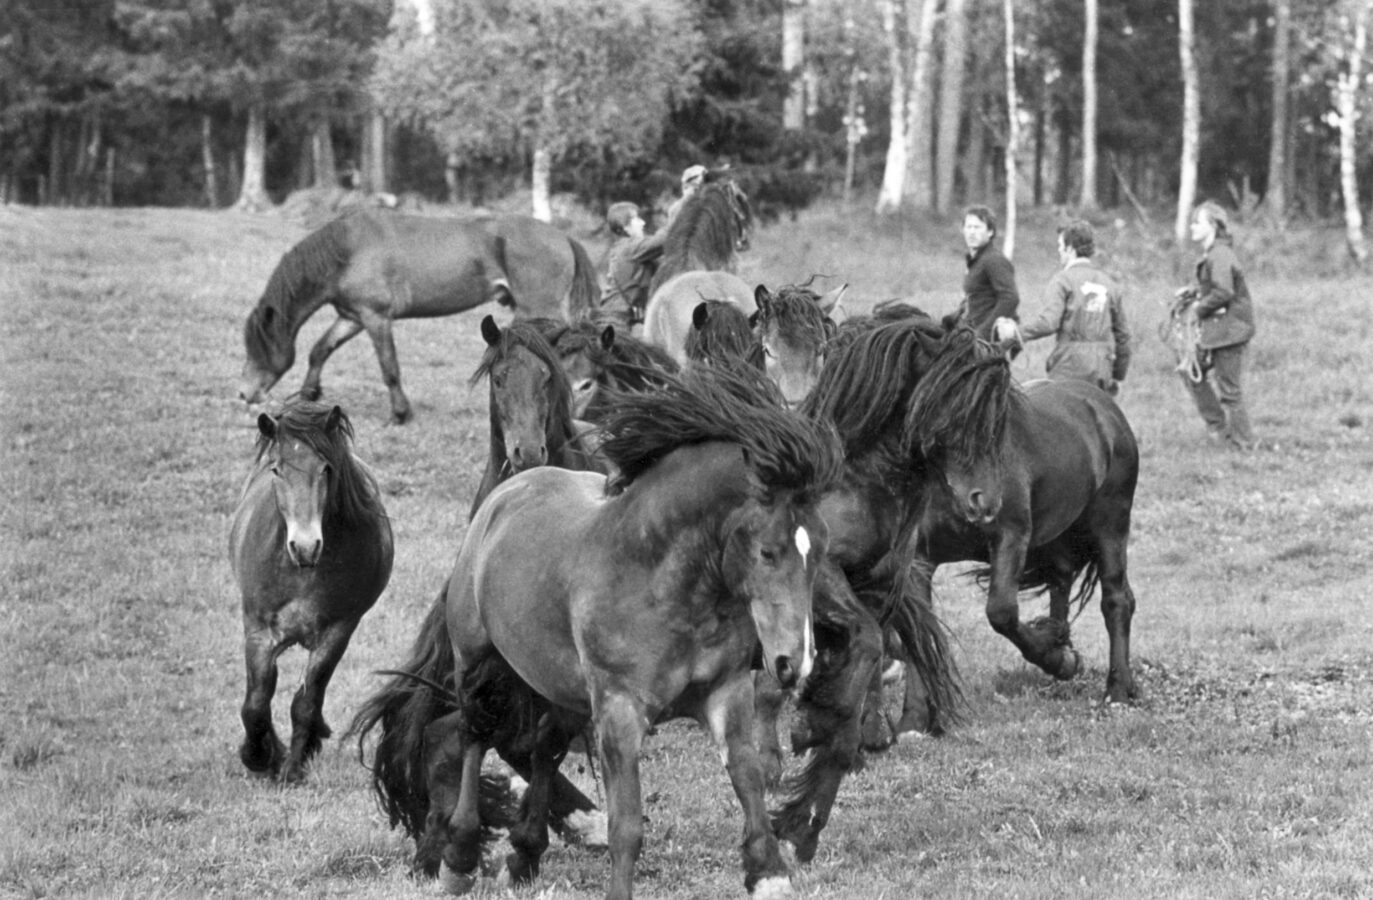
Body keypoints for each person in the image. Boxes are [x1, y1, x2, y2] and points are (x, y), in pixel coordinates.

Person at [1005, 219, 1130, 395]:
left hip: (1069, 366)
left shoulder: (1062, 280)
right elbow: (1123, 336)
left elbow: (1049, 323)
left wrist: (1018, 333)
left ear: (1070, 249)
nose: (1058, 250)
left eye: (1060, 245)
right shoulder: (1109, 284)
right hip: (1102, 367)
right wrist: (1118, 375)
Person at [1176, 200, 1257, 449]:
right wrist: (1192, 292)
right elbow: (1214, 288)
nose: (1192, 228)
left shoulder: (1220, 255)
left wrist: (1197, 311)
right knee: (1189, 371)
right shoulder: (1215, 254)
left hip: (1229, 331)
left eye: (1197, 222)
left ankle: (1243, 444)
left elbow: (1224, 292)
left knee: (1230, 390)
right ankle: (1219, 428)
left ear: (1211, 226)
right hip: (1218, 329)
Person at [945, 205, 1020, 341]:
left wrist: (983, 333)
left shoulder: (994, 260)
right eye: (968, 227)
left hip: (988, 343)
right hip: (971, 334)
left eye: (977, 227)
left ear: (990, 231)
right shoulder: (976, 260)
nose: (972, 232)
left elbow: (1010, 298)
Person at [600, 201, 653, 325]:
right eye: (636, 219)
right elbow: (663, 239)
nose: (643, 223)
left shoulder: (624, 246)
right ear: (625, 227)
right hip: (616, 319)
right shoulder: (630, 247)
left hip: (618, 316)